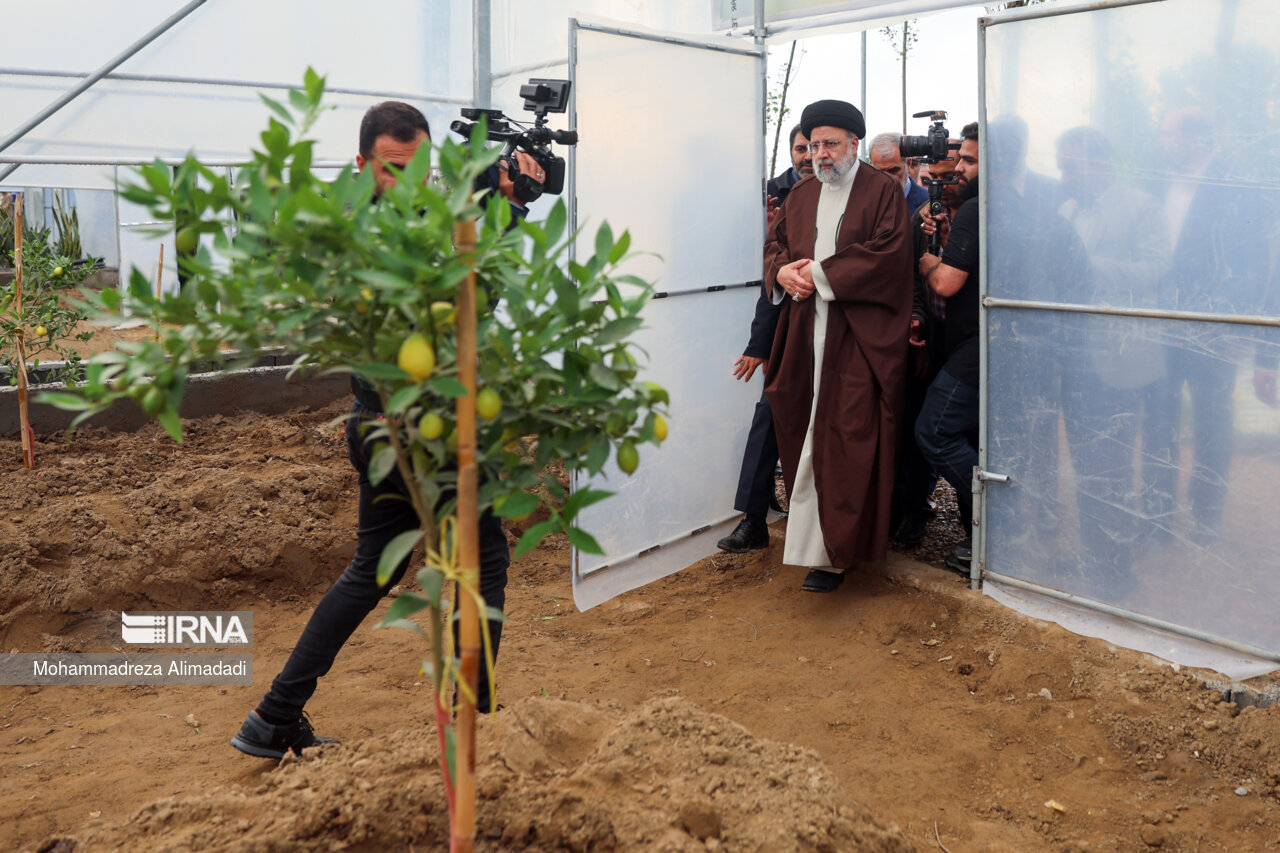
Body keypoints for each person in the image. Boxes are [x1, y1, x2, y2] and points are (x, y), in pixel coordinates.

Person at [230, 101, 539, 758]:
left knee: (374, 569)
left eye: (423, 165)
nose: (411, 178)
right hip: (409, 429)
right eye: (395, 169)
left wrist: (504, 208)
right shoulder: (371, 235)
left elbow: (471, 290)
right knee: (481, 563)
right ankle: (471, 714)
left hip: (388, 428)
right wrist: (492, 208)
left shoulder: (420, 217)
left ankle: (275, 712)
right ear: (363, 165)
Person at [764, 99, 913, 592]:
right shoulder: (801, 193)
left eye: (830, 143)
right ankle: (811, 546)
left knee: (848, 440)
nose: (819, 155)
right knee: (804, 436)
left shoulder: (882, 191)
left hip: (856, 341)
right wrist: (782, 271)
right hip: (804, 337)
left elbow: (891, 257)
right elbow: (776, 246)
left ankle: (836, 554)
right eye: (812, 145)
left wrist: (822, 273)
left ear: (854, 143)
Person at [718, 128, 812, 553]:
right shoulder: (780, 202)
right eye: (803, 147)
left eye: (821, 145)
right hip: (788, 336)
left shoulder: (864, 198)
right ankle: (753, 518)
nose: (812, 155)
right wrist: (760, 345)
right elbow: (771, 278)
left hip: (846, 339)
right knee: (768, 416)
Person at [914, 122, 982, 573]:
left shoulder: (980, 209)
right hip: (987, 343)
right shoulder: (1018, 206)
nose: (958, 168)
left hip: (976, 347)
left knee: (934, 431)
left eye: (970, 160)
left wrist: (927, 261)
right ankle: (980, 539)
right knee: (975, 436)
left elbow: (946, 281)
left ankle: (996, 514)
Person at [891, 145, 962, 548]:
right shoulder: (924, 217)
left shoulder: (977, 215)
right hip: (928, 338)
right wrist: (916, 318)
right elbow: (914, 278)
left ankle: (971, 522)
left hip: (966, 342)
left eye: (950, 176)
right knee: (915, 425)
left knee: (944, 431)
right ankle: (912, 510)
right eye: (935, 178)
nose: (942, 185)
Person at [868, 132, 929, 212]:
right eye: (880, 172)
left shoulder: (928, 202)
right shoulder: (861, 201)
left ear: (908, 163)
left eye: (893, 170)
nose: (887, 179)